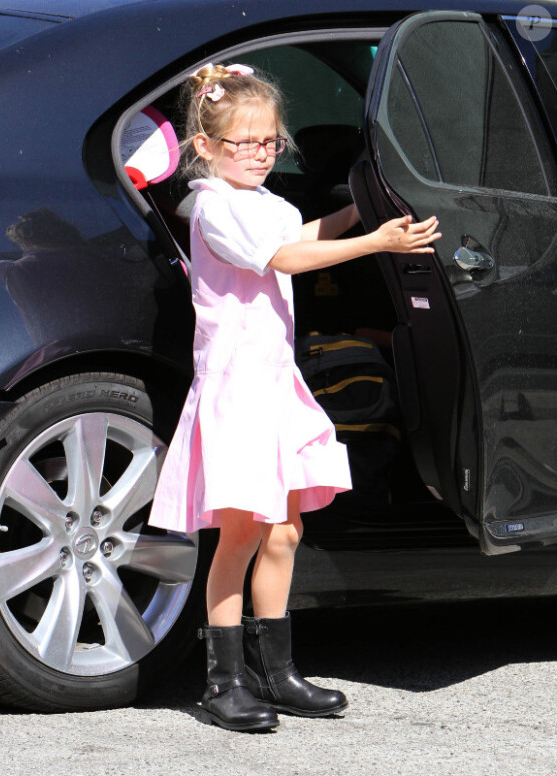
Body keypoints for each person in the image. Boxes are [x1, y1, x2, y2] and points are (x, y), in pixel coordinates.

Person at [149, 62, 441, 732]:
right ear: (206, 147)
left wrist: (348, 214)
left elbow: (292, 239)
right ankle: (223, 682)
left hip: (277, 382)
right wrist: (374, 241)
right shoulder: (212, 206)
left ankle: (275, 672)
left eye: (269, 142)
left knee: (285, 530)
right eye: (242, 143)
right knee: (240, 534)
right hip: (238, 389)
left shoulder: (270, 205)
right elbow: (279, 261)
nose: (257, 154)